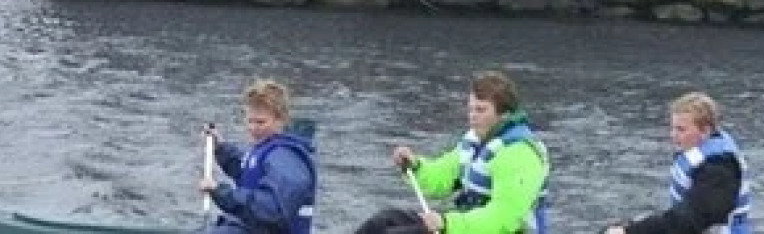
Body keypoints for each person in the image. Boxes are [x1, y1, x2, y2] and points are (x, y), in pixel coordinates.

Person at [354, 70, 551, 234]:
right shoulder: (476, 142)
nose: (472, 117)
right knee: (382, 222)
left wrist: (447, 223)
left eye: (481, 110)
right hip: (466, 226)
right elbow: (443, 176)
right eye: (471, 109)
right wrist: (415, 166)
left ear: (504, 115)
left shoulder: (519, 155)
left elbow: (503, 218)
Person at [603, 92, 752, 234]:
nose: (673, 136)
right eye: (673, 128)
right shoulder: (700, 153)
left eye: (681, 130)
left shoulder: (719, 169)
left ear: (705, 131)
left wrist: (632, 231)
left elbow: (691, 220)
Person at [195, 79, 318, 234]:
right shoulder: (269, 149)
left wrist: (220, 192)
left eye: (260, 123)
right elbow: (248, 172)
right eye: (250, 121)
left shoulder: (286, 158)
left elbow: (270, 210)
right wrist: (220, 148)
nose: (253, 128)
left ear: (281, 120)